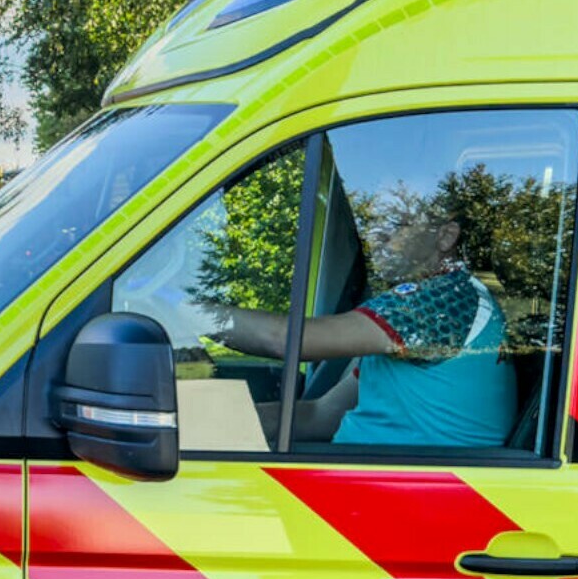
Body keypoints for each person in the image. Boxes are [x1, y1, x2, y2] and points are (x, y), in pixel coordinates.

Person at [206, 192, 515, 448]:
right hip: (381, 481)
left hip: (404, 493)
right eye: (374, 224)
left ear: (445, 237)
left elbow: (284, 340)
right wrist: (210, 426)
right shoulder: (429, 311)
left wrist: (191, 315)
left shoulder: (439, 301)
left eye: (396, 224)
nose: (377, 236)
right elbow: (323, 414)